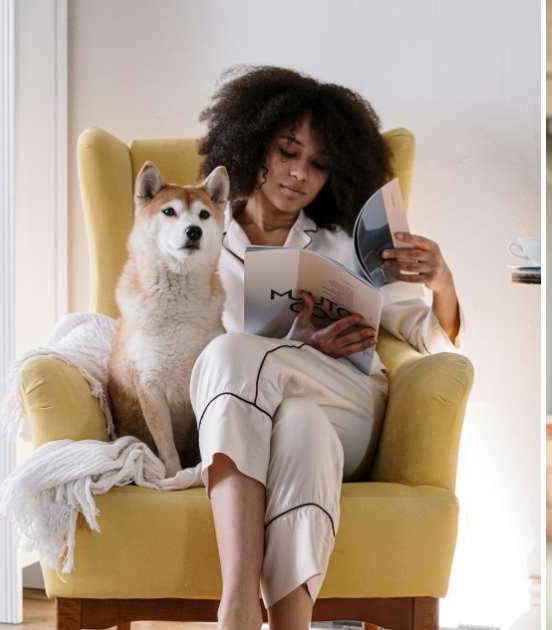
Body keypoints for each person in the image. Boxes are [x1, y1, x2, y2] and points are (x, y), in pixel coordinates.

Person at [189, 65, 465, 630]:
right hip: (262, 418)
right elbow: (175, 341)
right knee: (298, 426)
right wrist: (300, 342)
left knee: (232, 357)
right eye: (288, 152)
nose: (299, 174)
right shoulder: (202, 235)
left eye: (318, 164)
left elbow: (427, 337)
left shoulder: (343, 239)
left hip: (352, 403)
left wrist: (441, 281)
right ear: (254, 146)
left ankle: (237, 607)